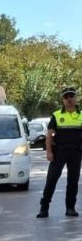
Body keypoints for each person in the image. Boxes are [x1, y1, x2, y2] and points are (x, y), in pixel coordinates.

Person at [37, 87, 82, 218]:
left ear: (75, 98)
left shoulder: (80, 115)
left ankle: (70, 208)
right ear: (62, 100)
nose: (69, 99)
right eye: (66, 97)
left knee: (73, 181)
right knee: (51, 179)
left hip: (75, 152)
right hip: (59, 152)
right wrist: (49, 152)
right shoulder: (57, 115)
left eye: (71, 96)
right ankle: (44, 208)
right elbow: (49, 135)